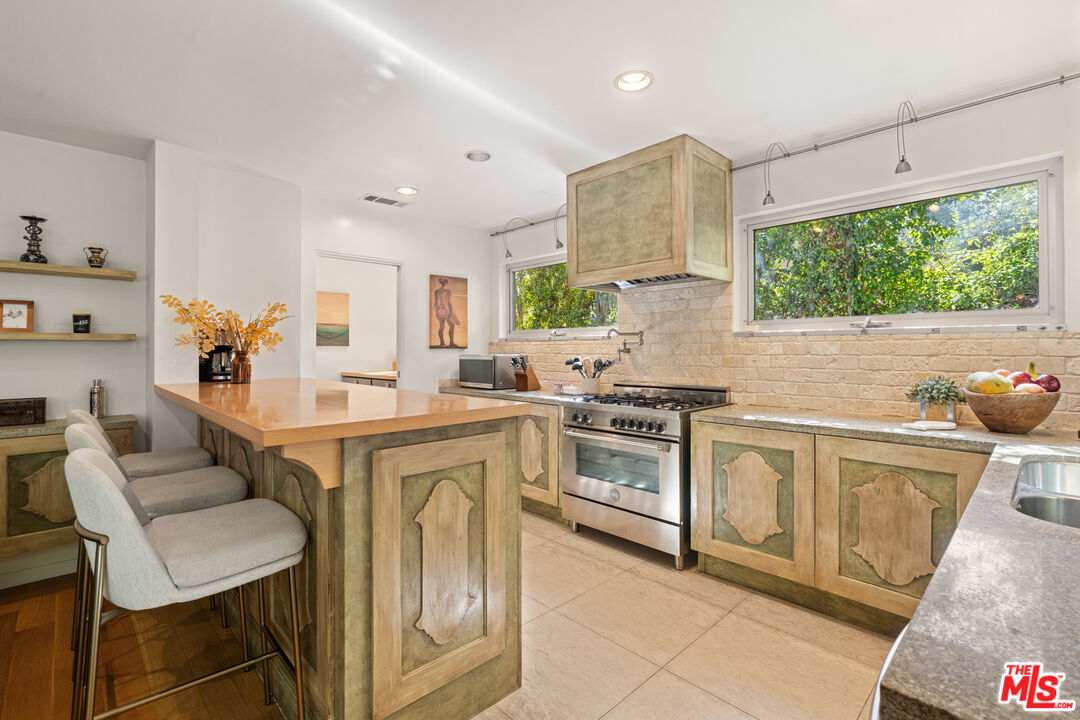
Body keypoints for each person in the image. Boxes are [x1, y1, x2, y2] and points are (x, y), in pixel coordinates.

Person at [433, 277, 460, 348]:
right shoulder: (448, 291)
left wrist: (436, 312)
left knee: (441, 326)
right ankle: (451, 342)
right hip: (446, 310)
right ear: (446, 283)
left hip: (439, 310)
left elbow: (435, 303)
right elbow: (449, 302)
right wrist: (450, 312)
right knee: (451, 325)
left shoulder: (436, 291)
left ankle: (442, 342)